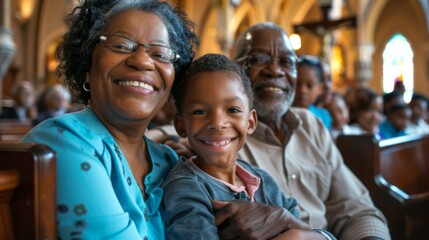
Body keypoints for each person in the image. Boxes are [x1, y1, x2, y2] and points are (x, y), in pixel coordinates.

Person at [22, 0, 198, 239]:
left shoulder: (168, 160)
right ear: (87, 65)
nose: (142, 61)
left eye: (160, 53)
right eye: (121, 45)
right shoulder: (61, 140)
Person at [232, 22, 390, 240]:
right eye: (259, 59)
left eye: (287, 62)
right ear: (234, 70)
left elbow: (356, 208)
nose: (275, 71)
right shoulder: (222, 137)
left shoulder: (311, 125)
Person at [163, 53, 334, 239]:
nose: (218, 122)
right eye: (200, 111)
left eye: (233, 110)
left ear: (251, 122)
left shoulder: (262, 180)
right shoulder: (185, 187)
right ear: (181, 125)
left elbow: (302, 228)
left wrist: (291, 226)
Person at [293, 55, 332, 129]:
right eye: (297, 84)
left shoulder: (323, 116)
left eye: (309, 86)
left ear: (320, 89)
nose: (302, 90)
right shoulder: (284, 115)